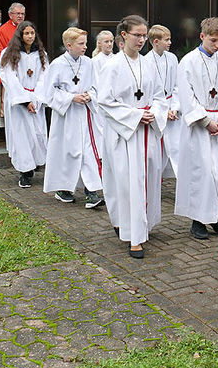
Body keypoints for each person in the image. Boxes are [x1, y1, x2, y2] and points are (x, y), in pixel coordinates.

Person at [97, 15, 167, 259]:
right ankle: (133, 235)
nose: (142, 40)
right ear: (124, 35)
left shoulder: (148, 64)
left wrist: (154, 112)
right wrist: (136, 116)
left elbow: (160, 95)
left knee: (146, 180)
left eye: (144, 35)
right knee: (128, 184)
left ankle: (143, 224)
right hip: (126, 135)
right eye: (137, 35)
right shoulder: (112, 66)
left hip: (147, 133)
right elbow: (105, 101)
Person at [174, 17, 218, 240]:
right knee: (203, 173)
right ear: (202, 36)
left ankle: (215, 215)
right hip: (199, 126)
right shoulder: (188, 62)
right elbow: (186, 96)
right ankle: (198, 220)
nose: (217, 45)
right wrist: (205, 121)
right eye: (213, 40)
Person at [41, 27, 105, 207]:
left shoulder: (88, 63)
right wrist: (71, 97)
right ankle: (63, 189)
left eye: (85, 43)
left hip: (85, 115)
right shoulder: (57, 64)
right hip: (66, 116)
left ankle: (91, 192)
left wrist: (89, 96)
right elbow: (49, 93)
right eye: (81, 44)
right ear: (69, 45)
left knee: (87, 152)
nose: (85, 47)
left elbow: (96, 86)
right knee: (67, 151)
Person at [0, 20, 48, 188]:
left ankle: (35, 165)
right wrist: (25, 100)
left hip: (36, 100)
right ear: (20, 35)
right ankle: (25, 172)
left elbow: (44, 76)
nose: (29, 36)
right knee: (22, 137)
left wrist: (36, 98)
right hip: (19, 103)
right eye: (26, 33)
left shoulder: (41, 54)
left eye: (32, 33)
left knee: (37, 134)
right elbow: (9, 78)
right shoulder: (9, 53)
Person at [146, 24, 181, 180]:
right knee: (156, 151)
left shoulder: (172, 58)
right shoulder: (146, 61)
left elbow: (177, 85)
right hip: (157, 108)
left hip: (172, 106)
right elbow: (148, 92)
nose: (170, 43)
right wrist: (162, 111)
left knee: (176, 148)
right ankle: (153, 181)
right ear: (156, 41)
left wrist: (174, 107)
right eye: (167, 40)